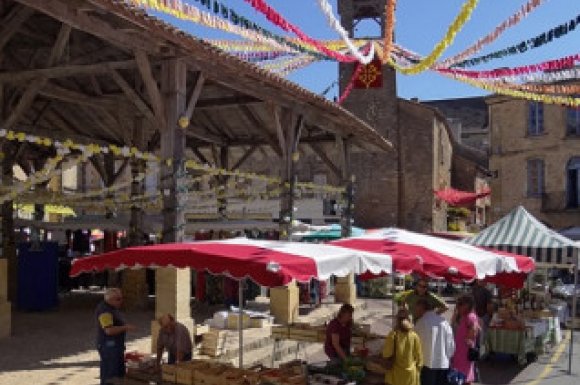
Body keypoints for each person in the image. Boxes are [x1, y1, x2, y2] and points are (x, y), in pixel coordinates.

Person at [95, 288, 136, 385]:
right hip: (109, 347)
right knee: (110, 375)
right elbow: (109, 330)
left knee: (117, 373)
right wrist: (125, 327)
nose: (121, 301)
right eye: (118, 299)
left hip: (115, 346)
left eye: (121, 298)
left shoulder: (112, 308)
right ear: (110, 299)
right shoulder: (104, 311)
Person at [414, 298, 455, 385]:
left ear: (421, 308)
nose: (415, 312)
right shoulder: (444, 322)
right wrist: (448, 358)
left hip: (427, 363)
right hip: (443, 363)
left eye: (416, 309)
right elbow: (451, 345)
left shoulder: (421, 323)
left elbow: (415, 345)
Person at [383, 309, 423, 385]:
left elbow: (386, 354)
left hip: (395, 375)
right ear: (409, 321)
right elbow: (419, 358)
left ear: (397, 320)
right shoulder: (414, 336)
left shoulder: (393, 335)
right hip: (411, 375)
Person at [451, 294, 480, 385]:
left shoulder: (470, 316)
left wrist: (468, 339)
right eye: (458, 304)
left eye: (460, 304)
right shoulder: (462, 316)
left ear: (467, 305)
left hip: (464, 350)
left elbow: (475, 329)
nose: (458, 306)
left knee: (465, 375)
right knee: (461, 373)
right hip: (459, 349)